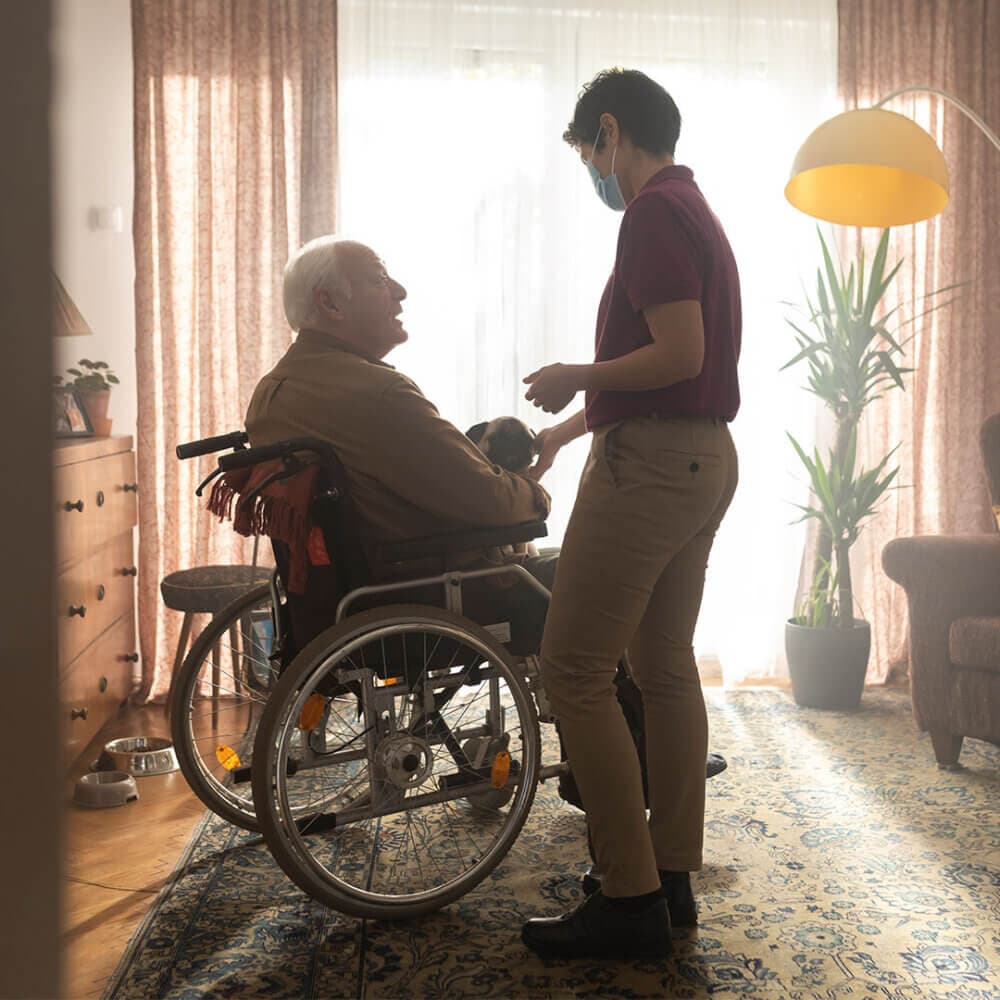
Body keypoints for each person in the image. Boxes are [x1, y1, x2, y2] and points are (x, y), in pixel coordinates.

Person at [520, 68, 741, 959]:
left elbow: (676, 352)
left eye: (589, 156)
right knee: (662, 667)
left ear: (610, 133)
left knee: (570, 670)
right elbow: (679, 368)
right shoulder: (694, 208)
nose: (594, 176)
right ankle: (670, 877)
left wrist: (576, 375)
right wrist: (573, 429)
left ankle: (629, 896)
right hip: (700, 457)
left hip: (652, 467)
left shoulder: (652, 211)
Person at [244, 235, 555, 638]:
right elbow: (488, 500)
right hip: (429, 596)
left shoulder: (269, 397)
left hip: (337, 603)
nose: (401, 292)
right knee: (599, 568)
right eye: (379, 279)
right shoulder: (377, 393)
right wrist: (534, 490)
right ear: (331, 303)